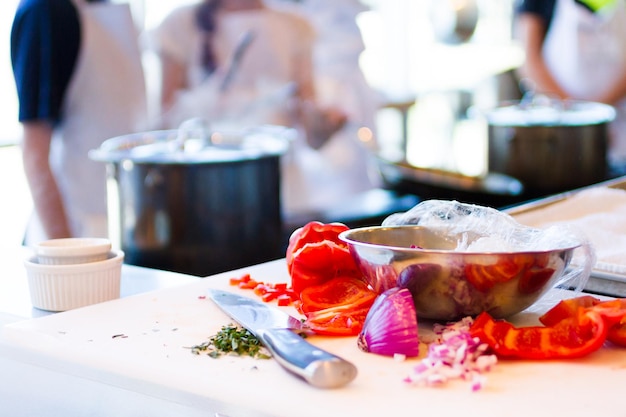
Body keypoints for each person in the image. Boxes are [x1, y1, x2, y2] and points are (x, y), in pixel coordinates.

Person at [151, 0, 380, 216]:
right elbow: (166, 127)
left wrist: (325, 124)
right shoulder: (178, 26)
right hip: (204, 191)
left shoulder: (295, 26)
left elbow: (311, 136)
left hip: (282, 190)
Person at [11, 0, 147, 245]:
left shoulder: (110, 10)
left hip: (124, 223)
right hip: (76, 227)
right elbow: (34, 153)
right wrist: (66, 251)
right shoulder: (45, 11)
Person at [515, 0, 626, 166]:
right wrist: (582, 116)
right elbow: (530, 62)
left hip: (619, 126)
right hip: (557, 130)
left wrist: (602, 113)